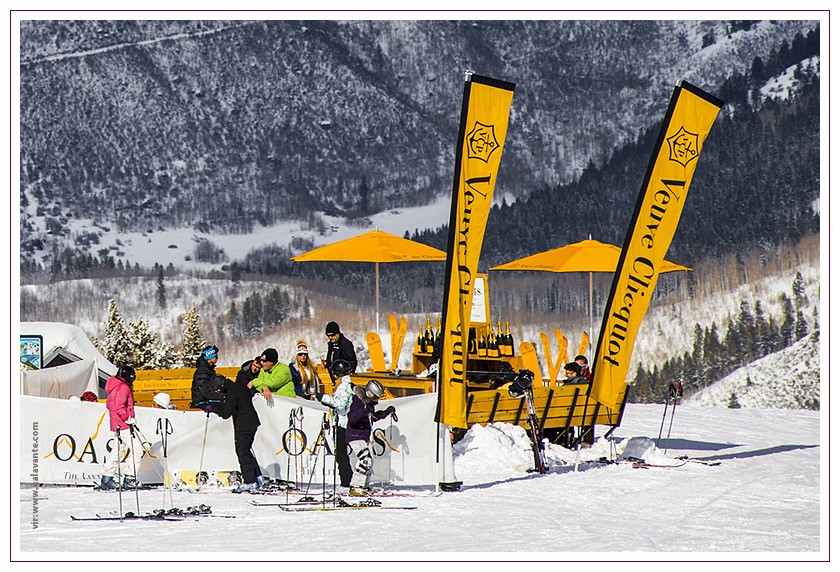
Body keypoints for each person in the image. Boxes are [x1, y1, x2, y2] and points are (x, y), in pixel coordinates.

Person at [212, 375, 265, 494]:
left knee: (242, 451)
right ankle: (258, 477)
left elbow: (226, 413)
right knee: (247, 450)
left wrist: (214, 408)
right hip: (252, 422)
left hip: (243, 425)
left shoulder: (232, 392)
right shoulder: (239, 385)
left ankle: (250, 481)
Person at [345, 379, 396, 496]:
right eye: (375, 397)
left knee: (369, 461)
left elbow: (372, 417)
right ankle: (355, 486)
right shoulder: (358, 401)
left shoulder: (368, 403)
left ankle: (364, 485)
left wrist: (387, 412)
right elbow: (352, 418)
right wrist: (363, 410)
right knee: (365, 460)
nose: (376, 400)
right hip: (354, 435)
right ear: (369, 393)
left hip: (362, 436)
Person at [100, 365, 141, 490]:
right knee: (137, 450)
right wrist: (127, 418)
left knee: (118, 450)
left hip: (117, 424)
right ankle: (130, 477)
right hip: (123, 424)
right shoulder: (123, 387)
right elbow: (119, 406)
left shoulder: (115, 386)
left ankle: (107, 477)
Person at [317, 359, 356, 489]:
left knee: (341, 454)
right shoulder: (343, 385)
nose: (333, 376)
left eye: (334, 373)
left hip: (342, 424)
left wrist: (323, 398)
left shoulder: (344, 386)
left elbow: (341, 404)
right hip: (340, 421)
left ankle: (346, 481)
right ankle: (347, 480)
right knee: (341, 454)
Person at [190, 345, 227, 414]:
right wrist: (223, 397)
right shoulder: (202, 371)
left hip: (206, 400)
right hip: (201, 402)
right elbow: (206, 393)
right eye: (216, 356)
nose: (217, 358)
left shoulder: (207, 370)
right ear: (209, 357)